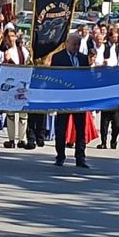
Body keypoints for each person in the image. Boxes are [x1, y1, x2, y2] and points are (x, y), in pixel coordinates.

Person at [50, 33, 88, 168]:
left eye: (78, 44)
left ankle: (80, 157)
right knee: (61, 128)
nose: (76, 47)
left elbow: (87, 77)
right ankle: (60, 156)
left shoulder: (83, 58)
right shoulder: (58, 57)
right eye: (74, 44)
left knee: (80, 129)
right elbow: (53, 78)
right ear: (67, 43)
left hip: (79, 99)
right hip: (64, 99)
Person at [0, 28, 30, 149]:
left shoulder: (23, 51)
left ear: (15, 37)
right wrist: (6, 59)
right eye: (8, 36)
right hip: (9, 85)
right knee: (10, 112)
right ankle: (11, 139)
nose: (10, 38)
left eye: (12, 35)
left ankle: (22, 138)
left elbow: (28, 64)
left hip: (21, 84)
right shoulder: (2, 53)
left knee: (23, 113)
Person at [95, 29, 119, 149]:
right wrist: (103, 63)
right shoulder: (104, 47)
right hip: (106, 78)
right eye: (114, 37)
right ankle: (103, 141)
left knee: (117, 122)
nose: (116, 39)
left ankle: (114, 140)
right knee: (105, 118)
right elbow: (98, 60)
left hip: (116, 80)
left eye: (117, 37)